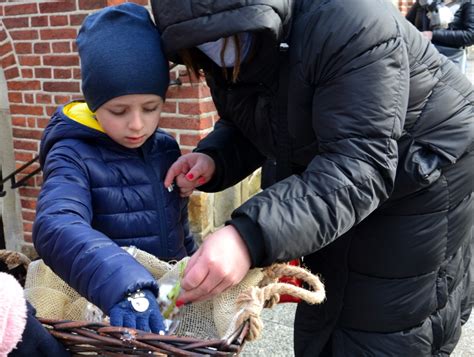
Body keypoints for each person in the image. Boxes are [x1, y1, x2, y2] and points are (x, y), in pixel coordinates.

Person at [151, 0, 474, 355]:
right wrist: (213, 157)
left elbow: (360, 165)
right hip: (340, 172)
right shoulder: (214, 49)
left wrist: (248, 236)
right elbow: (258, 120)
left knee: (381, 321)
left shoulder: (350, 19)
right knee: (327, 303)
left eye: (227, 36)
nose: (216, 52)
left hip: (421, 169)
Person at [32, 3, 197, 334]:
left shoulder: (164, 148)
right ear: (94, 104)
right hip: (107, 310)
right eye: (118, 110)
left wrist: (192, 263)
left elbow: (179, 226)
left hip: (166, 304)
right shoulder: (71, 154)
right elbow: (55, 222)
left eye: (151, 108)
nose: (137, 125)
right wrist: (124, 286)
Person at [406, 0, 474, 72]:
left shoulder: (468, 3)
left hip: (451, 60)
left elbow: (470, 35)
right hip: (422, 58)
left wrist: (433, 35)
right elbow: (406, 25)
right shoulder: (424, 2)